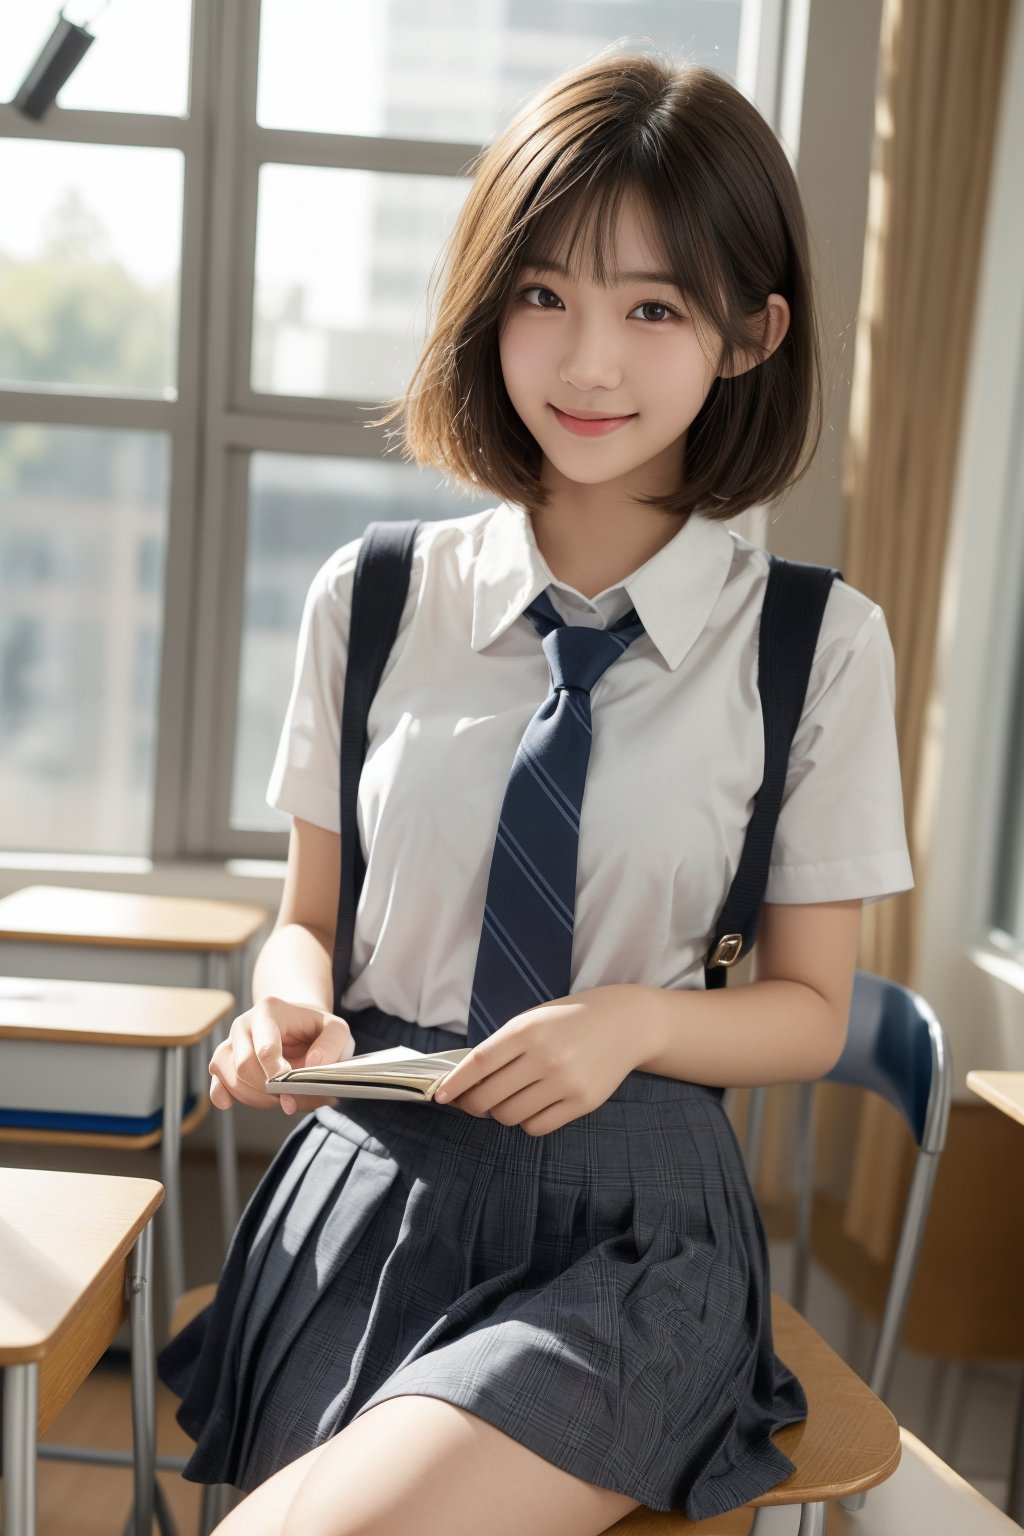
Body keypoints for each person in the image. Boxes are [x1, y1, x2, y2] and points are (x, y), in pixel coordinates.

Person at [158, 43, 914, 1536]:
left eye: (654, 309)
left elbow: (813, 1012)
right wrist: (285, 1005)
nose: (588, 364)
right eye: (544, 296)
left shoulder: (818, 644)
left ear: (751, 336)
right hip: (378, 1178)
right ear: (488, 309)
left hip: (636, 1222)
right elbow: (307, 922)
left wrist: (627, 1024)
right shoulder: (372, 598)